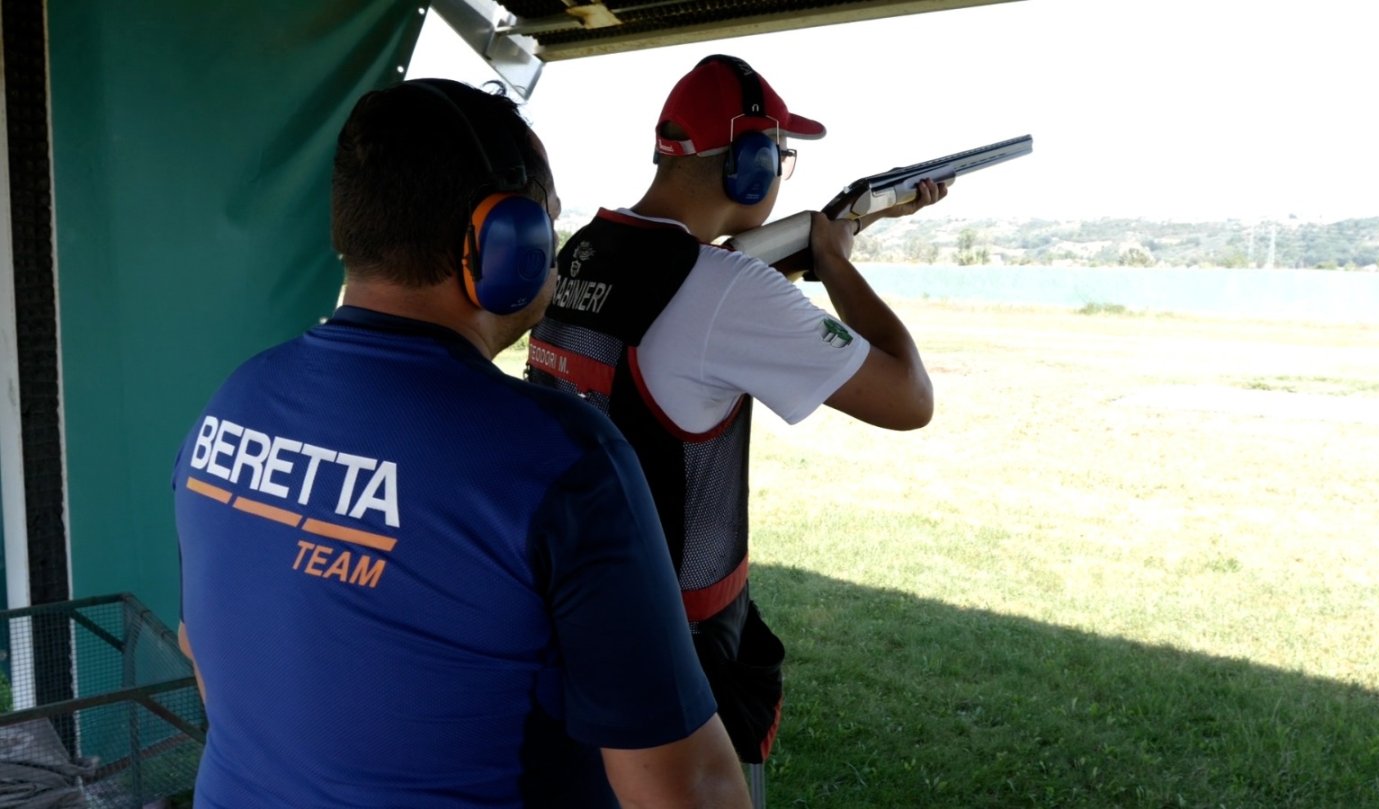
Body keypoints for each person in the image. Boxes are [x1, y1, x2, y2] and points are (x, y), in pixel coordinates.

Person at [172, 77, 751, 809]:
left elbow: (205, 652)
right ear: (507, 242)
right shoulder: (560, 458)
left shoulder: (234, 401)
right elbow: (683, 788)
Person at [524, 55, 944, 765]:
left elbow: (685, 304)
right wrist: (835, 259)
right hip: (679, 661)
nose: (780, 171)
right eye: (779, 154)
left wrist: (827, 235)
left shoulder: (589, 250)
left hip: (572, 612)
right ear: (748, 164)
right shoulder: (725, 287)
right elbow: (909, 398)